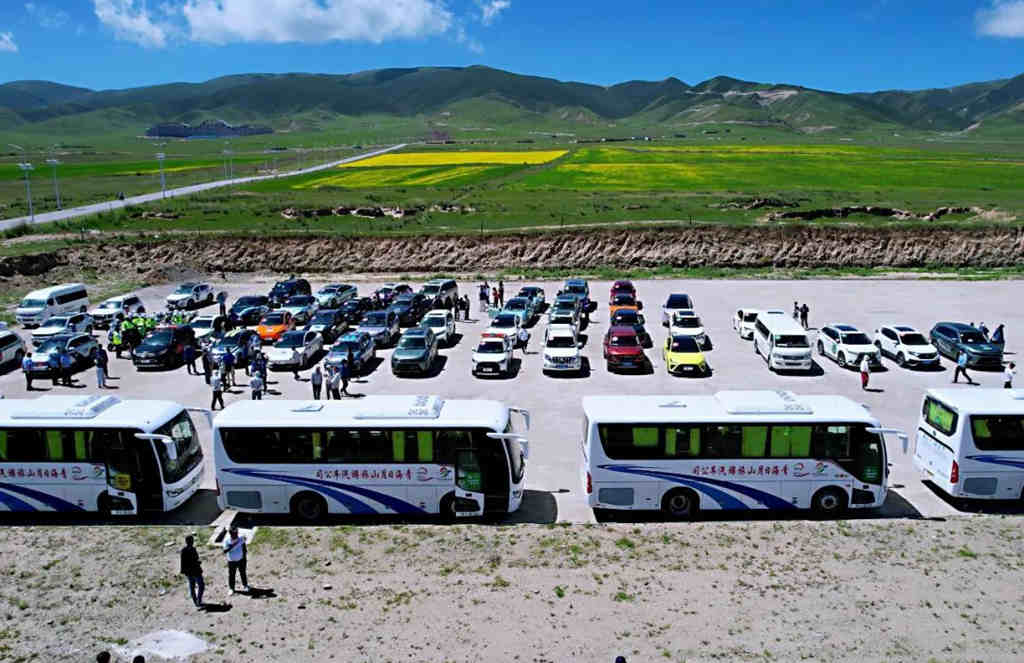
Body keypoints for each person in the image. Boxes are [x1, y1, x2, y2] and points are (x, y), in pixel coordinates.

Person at [179, 534, 205, 608]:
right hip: (195, 571)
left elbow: (182, 562)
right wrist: (198, 563)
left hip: (189, 572)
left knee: (192, 586)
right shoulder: (192, 549)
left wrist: (183, 571)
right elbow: (194, 560)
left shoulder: (184, 550)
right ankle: (198, 601)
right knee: (201, 586)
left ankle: (196, 601)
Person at [222, 525, 249, 594]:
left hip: (241, 560)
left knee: (243, 573)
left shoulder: (240, 538)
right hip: (231, 561)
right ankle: (231, 588)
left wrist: (244, 557)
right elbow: (225, 551)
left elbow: (244, 547)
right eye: (234, 534)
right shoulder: (227, 540)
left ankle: (245, 585)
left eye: (237, 533)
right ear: (230, 533)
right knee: (232, 575)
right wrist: (234, 544)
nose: (236, 535)